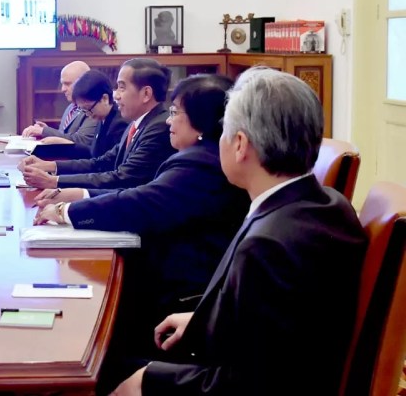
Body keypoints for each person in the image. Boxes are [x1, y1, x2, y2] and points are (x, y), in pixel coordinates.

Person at [110, 68, 366, 396]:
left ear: (240, 144)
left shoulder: (266, 247)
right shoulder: (328, 202)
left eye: (224, 133)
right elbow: (275, 322)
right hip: (266, 358)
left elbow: (249, 383)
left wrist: (147, 380)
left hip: (258, 379)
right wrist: (205, 321)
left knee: (107, 366)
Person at [33, 75, 249, 392]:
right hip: (178, 277)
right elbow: (141, 191)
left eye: (176, 112)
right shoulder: (199, 155)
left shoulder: (200, 162)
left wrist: (67, 211)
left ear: (200, 123)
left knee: (85, 319)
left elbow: (141, 201)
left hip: (178, 290)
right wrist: (76, 198)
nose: (170, 121)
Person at [20, 58, 175, 190]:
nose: (116, 95)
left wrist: (54, 182)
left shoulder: (158, 128)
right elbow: (102, 162)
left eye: (122, 87)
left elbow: (123, 178)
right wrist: (50, 166)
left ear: (146, 94)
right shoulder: (136, 124)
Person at [21, 61, 99, 155]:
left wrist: (45, 131)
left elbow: (82, 141)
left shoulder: (94, 108)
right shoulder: (71, 107)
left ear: (83, 83)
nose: (62, 89)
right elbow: (65, 135)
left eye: (67, 84)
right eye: (62, 84)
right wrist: (47, 130)